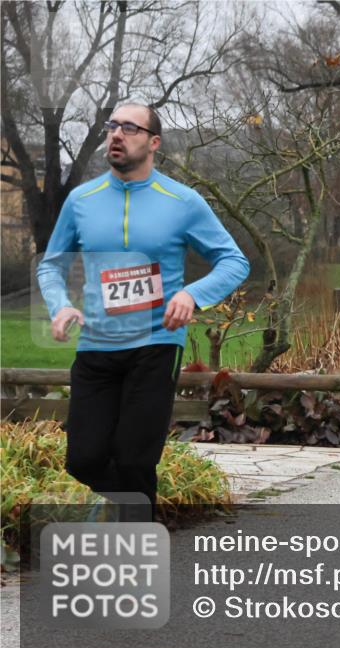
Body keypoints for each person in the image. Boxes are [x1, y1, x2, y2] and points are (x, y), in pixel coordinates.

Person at [37, 103, 250, 521]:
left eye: (129, 128)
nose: (116, 134)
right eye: (112, 126)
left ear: (153, 142)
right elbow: (52, 264)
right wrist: (60, 304)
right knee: (83, 460)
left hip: (156, 342)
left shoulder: (182, 201)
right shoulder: (82, 200)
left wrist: (192, 294)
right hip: (98, 344)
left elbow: (234, 261)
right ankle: (144, 516)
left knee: (136, 457)